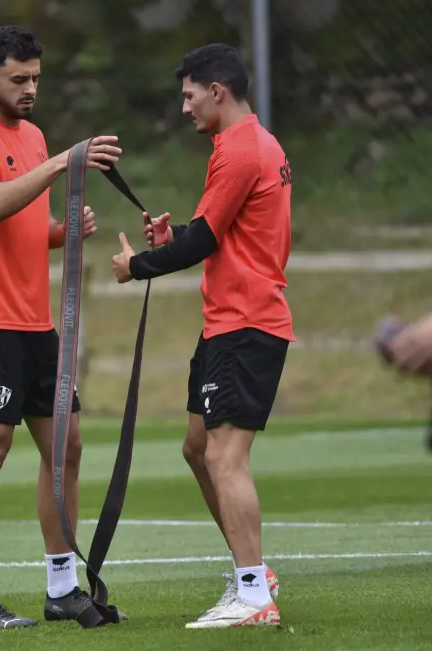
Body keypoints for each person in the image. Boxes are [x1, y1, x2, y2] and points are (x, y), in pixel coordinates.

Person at [0, 25, 123, 629]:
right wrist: (59, 166)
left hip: (36, 325)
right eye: (18, 79)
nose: (29, 89)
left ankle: (63, 588)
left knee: (65, 447)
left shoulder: (35, 134)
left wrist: (64, 230)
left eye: (36, 79)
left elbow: (28, 225)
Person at [110, 43, 292, 629]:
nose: (184, 107)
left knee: (224, 456)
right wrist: (174, 237)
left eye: (189, 96)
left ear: (217, 91)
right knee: (198, 448)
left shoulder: (240, 149)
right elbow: (218, 229)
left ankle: (253, 595)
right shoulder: (245, 143)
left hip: (246, 322)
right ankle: (253, 575)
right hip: (226, 323)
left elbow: (206, 242)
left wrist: (137, 266)